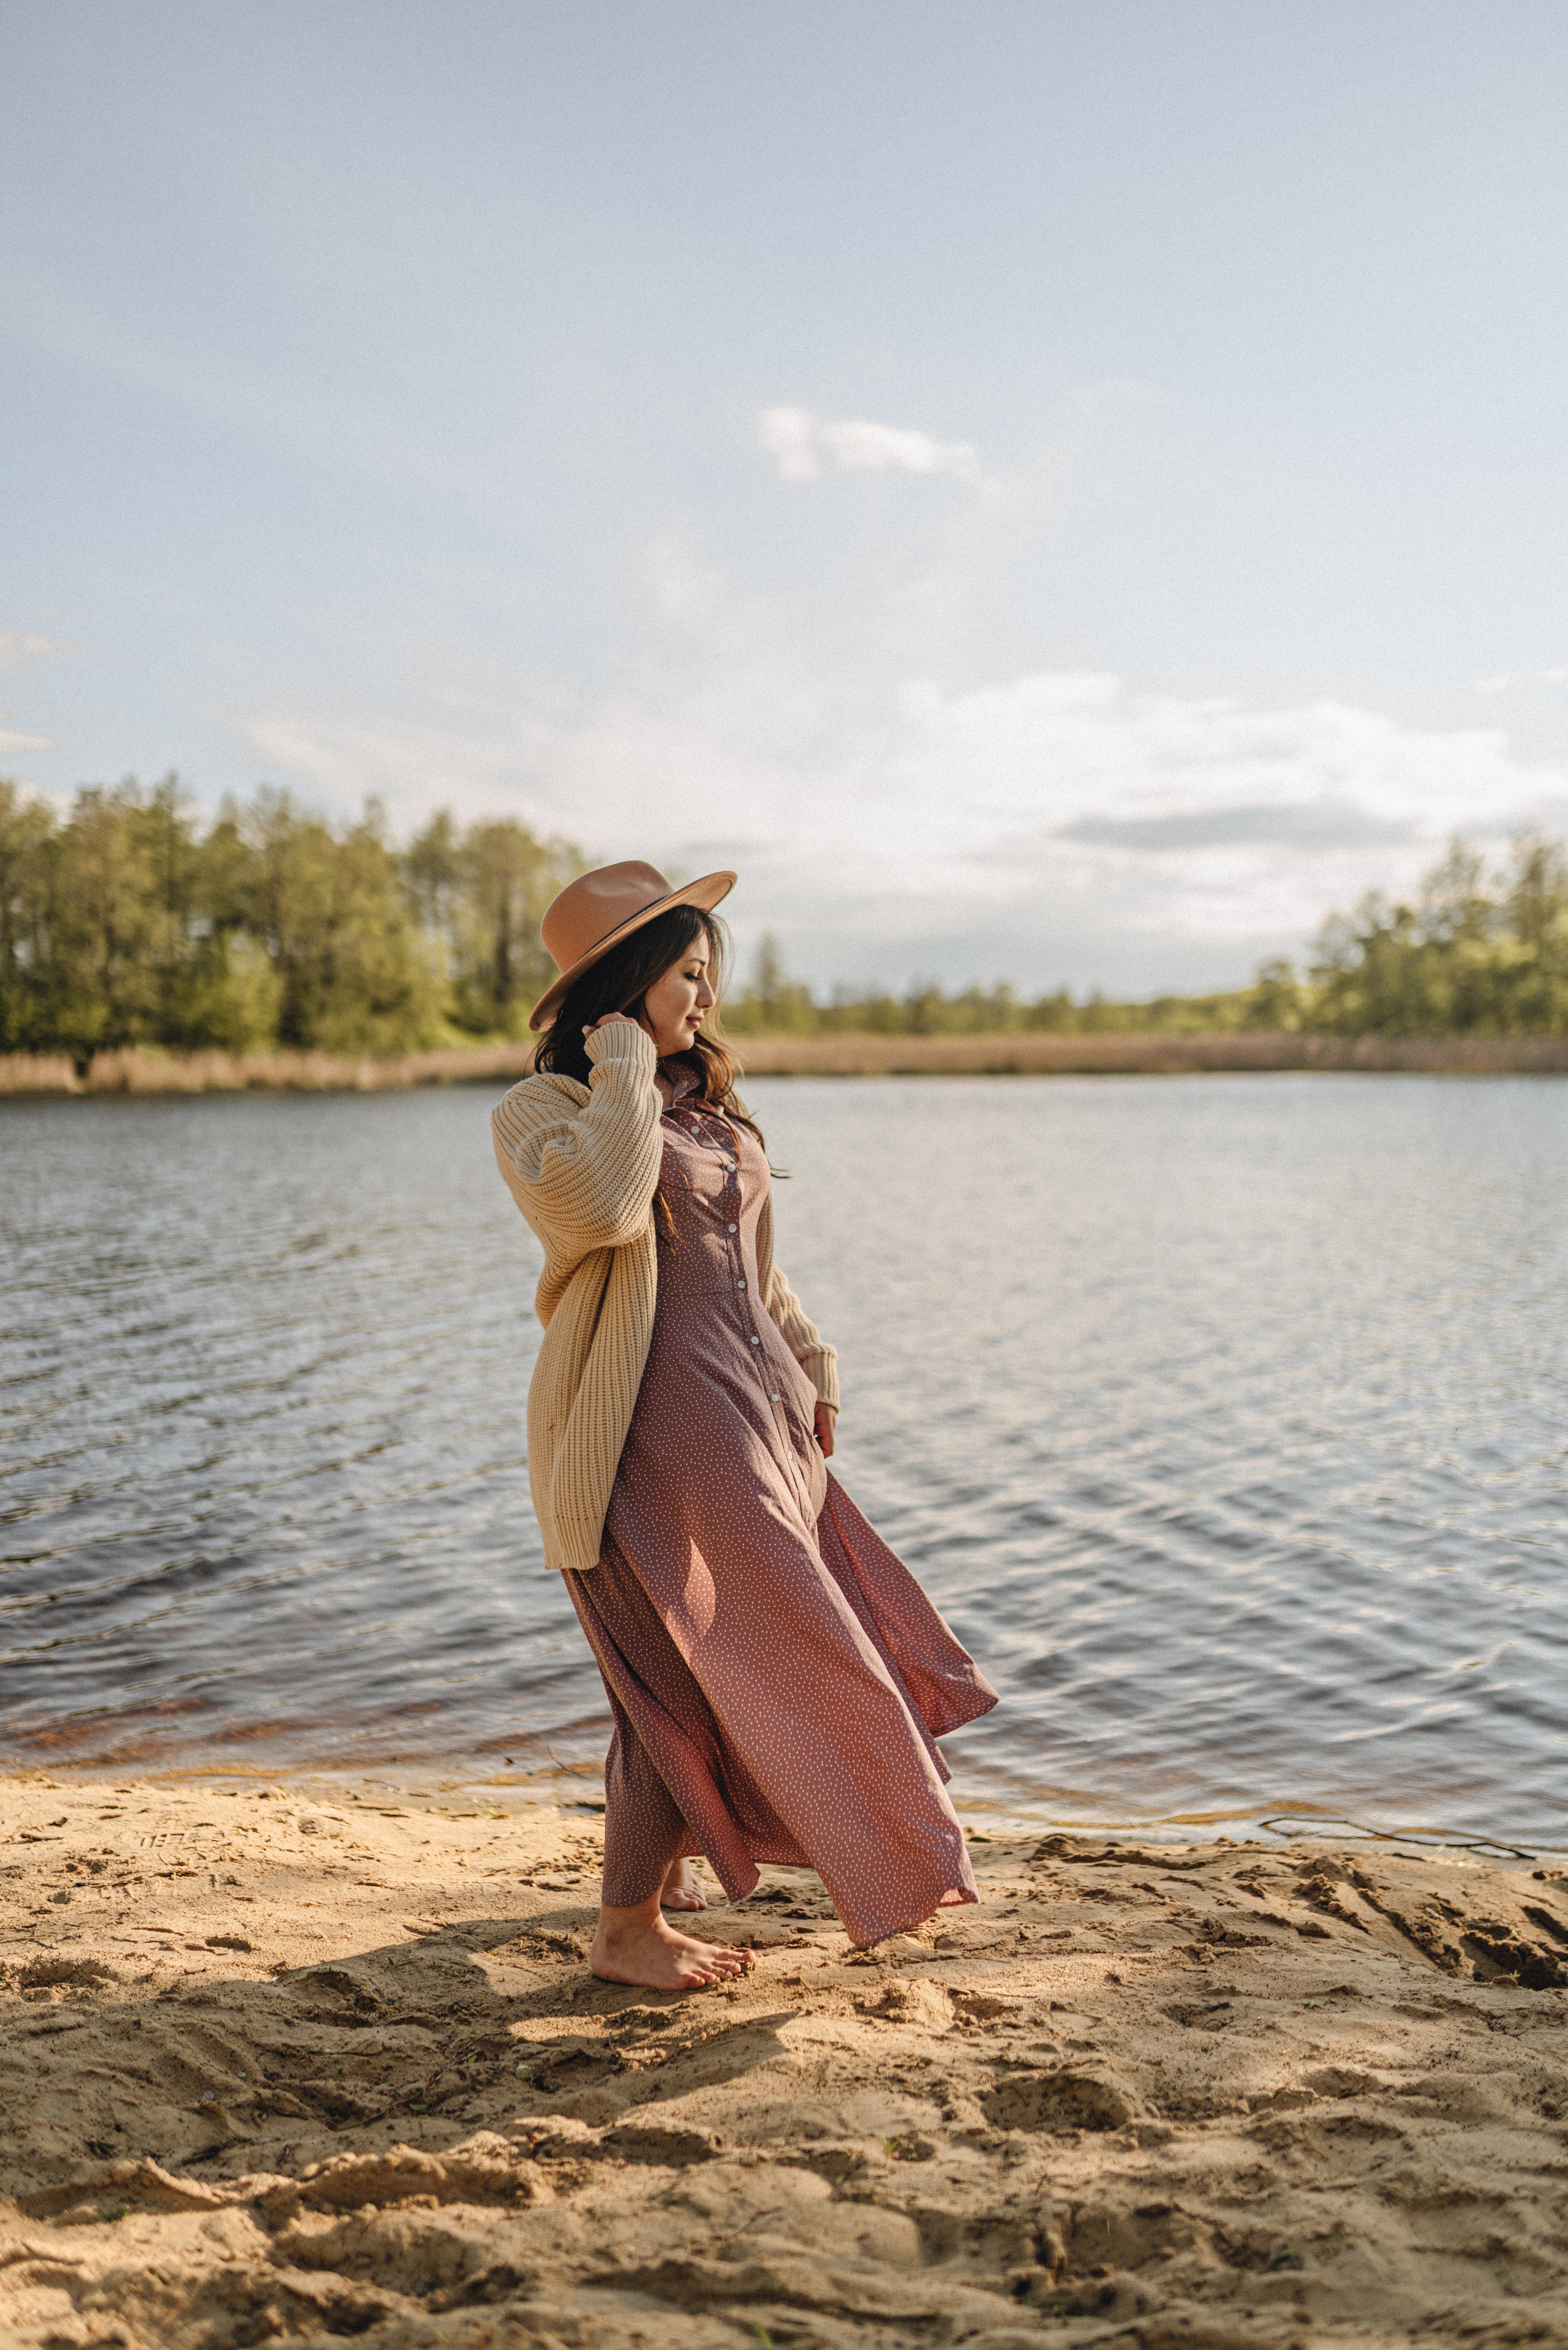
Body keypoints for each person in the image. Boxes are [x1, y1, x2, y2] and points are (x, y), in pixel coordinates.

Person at [491, 860, 998, 1992]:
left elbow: (755, 1265)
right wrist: (621, 1063)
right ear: (622, 988)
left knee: (730, 1659)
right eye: (685, 973)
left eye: (711, 972)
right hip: (655, 1437)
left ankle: (654, 1886)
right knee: (713, 1670)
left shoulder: (706, 1102)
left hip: (756, 1416)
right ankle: (638, 1926)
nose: (707, 995)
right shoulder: (546, 1112)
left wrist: (811, 1355)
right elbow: (607, 1208)